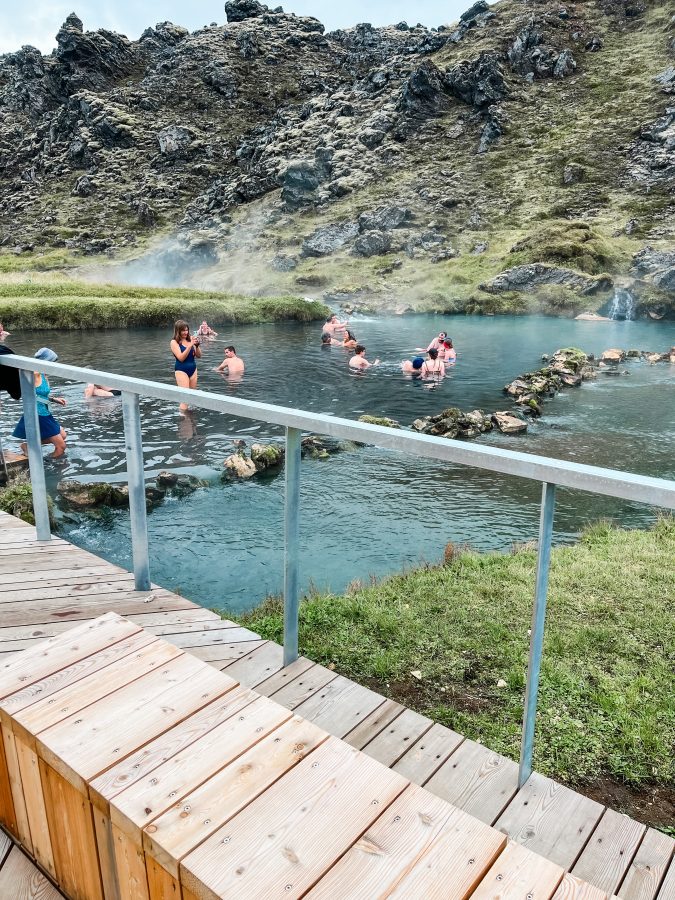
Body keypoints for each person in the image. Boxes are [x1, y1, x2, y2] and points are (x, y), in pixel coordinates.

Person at [12, 348, 67, 458]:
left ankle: (27, 446)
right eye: (52, 362)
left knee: (63, 435)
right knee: (61, 447)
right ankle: (48, 465)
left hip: (45, 412)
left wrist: (54, 399)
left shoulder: (43, 374)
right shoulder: (35, 373)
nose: (54, 365)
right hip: (37, 414)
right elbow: (19, 368)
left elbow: (39, 394)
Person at [171, 320, 201, 411]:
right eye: (183, 330)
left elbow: (199, 356)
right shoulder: (174, 342)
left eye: (187, 330)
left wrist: (197, 345)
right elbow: (181, 358)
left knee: (192, 395)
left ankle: (192, 416)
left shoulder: (190, 339)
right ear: (178, 331)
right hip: (181, 370)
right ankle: (184, 419)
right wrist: (189, 346)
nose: (185, 332)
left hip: (193, 369)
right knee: (185, 398)